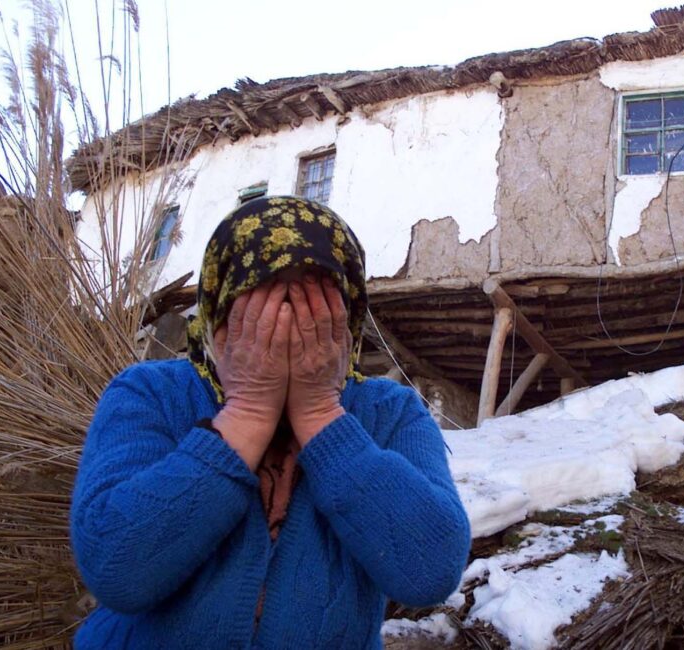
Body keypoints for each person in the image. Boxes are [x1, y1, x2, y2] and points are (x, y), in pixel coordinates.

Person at [69, 196, 472, 649]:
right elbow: (116, 569)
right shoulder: (149, 393)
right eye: (262, 306)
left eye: (311, 307)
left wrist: (321, 411)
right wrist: (248, 410)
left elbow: (430, 571)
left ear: (348, 315)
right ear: (220, 308)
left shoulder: (390, 411)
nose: (285, 324)